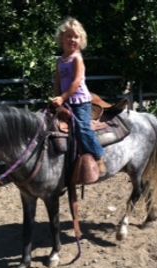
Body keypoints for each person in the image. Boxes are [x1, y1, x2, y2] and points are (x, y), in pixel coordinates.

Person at [52, 17, 106, 177]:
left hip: (79, 102)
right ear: (61, 38)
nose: (72, 39)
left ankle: (99, 156)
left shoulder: (77, 58)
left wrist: (63, 97)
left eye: (76, 36)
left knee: (83, 128)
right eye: (69, 36)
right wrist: (56, 99)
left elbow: (76, 83)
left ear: (81, 39)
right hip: (65, 100)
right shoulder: (60, 60)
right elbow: (58, 81)